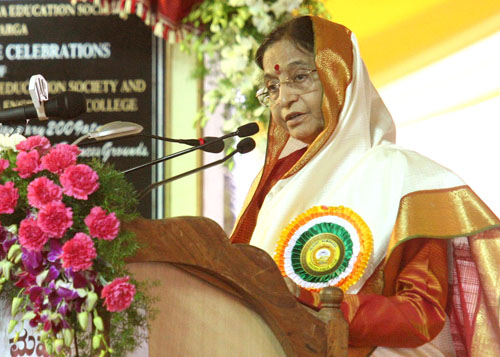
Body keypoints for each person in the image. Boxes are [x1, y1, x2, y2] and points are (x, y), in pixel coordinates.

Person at [230, 16, 500, 356]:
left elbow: (421, 313)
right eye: (272, 87)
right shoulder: (275, 188)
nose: (283, 98)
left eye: (299, 77)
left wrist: (313, 305)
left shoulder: (408, 178)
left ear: (340, 74)